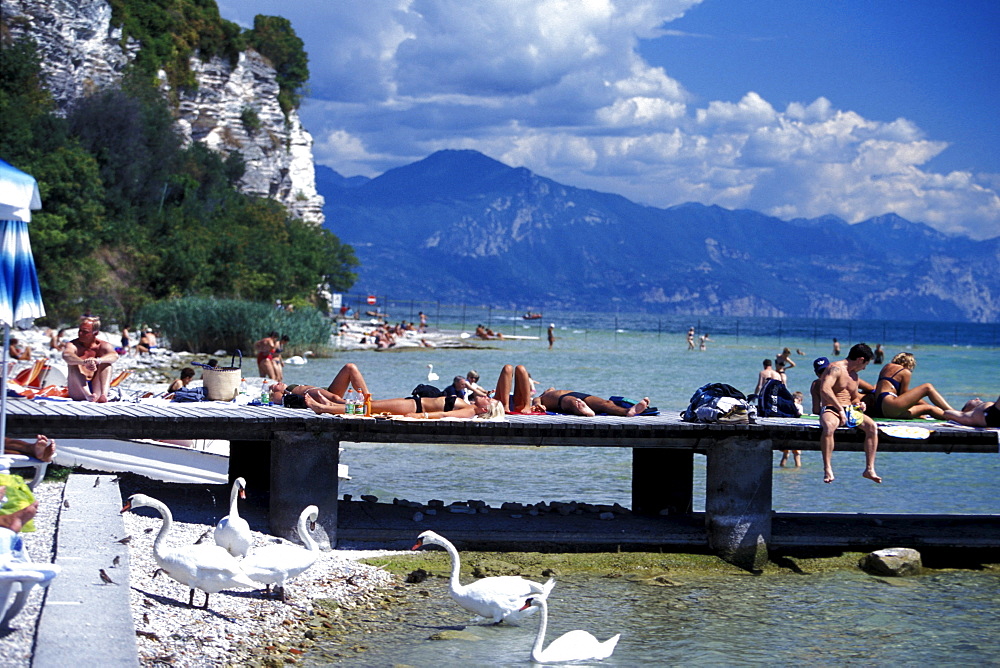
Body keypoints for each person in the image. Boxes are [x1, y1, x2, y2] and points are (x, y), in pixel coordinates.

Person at [298, 364, 504, 419]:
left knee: (368, 409)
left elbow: (443, 414)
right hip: (413, 403)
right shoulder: (468, 405)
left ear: (486, 410)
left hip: (414, 406)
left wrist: (417, 416)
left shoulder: (469, 411)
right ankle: (330, 406)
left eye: (490, 401)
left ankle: (323, 409)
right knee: (369, 407)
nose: (487, 398)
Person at [817, 343, 879, 484]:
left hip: (849, 410)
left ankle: (869, 469)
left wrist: (859, 403)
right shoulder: (835, 368)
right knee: (829, 426)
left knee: (872, 427)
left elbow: (854, 397)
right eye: (865, 364)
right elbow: (825, 389)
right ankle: (827, 468)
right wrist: (839, 409)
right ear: (860, 359)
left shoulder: (854, 376)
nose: (864, 368)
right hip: (832, 408)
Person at [867, 352, 954, 419]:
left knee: (929, 408)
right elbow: (903, 395)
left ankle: (954, 416)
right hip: (891, 405)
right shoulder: (905, 372)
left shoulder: (887, 367)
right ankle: (955, 413)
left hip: (881, 409)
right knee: (928, 387)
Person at [62, 318, 119, 402]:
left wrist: (98, 360)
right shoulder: (73, 344)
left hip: (96, 386)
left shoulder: (102, 345)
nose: (80, 334)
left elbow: (115, 356)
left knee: (107, 364)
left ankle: (104, 394)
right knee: (72, 363)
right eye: (79, 330)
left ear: (95, 333)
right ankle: (88, 395)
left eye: (85, 332)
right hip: (79, 390)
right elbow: (66, 355)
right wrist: (84, 362)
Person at [268, 363, 371, 407]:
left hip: (325, 391)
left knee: (350, 367)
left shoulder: (289, 388)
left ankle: (368, 400)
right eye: (274, 386)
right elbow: (276, 399)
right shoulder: (283, 394)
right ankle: (355, 405)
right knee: (334, 397)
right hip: (313, 394)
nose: (278, 383)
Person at [537, 387, 650, 417]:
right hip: (560, 401)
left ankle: (628, 411)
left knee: (606, 403)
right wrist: (538, 405)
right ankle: (585, 412)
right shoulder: (542, 396)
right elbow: (536, 403)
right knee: (573, 402)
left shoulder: (554, 390)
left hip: (581, 395)